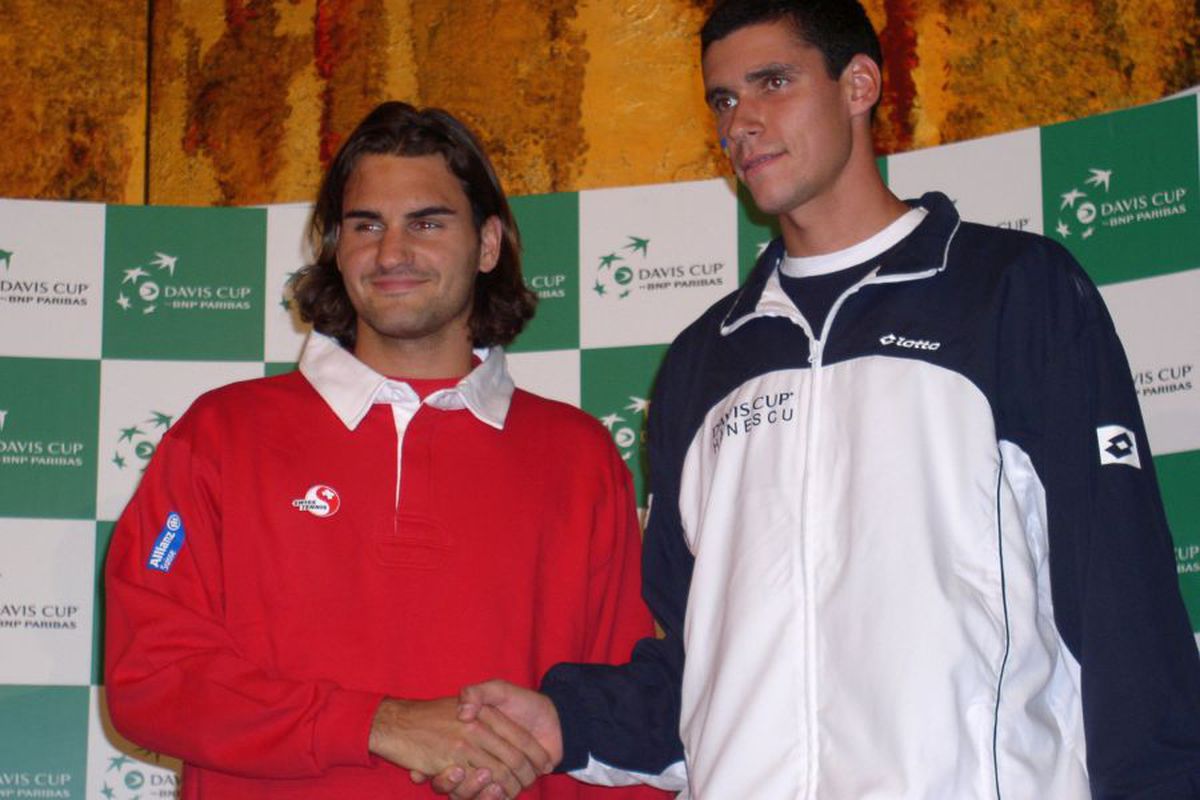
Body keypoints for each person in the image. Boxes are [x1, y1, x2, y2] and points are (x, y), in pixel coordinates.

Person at [438, 1, 1200, 797]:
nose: (742, 123)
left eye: (773, 83)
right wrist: (570, 721)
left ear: (859, 84)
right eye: (724, 100)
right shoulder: (704, 358)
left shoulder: (1011, 290)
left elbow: (1123, 611)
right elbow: (696, 666)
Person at [105, 101, 667, 800]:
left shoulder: (579, 456)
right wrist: (379, 723)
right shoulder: (219, 435)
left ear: (488, 245)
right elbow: (150, 681)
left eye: (427, 223)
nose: (392, 252)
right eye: (365, 225)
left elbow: (620, 730)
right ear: (338, 249)